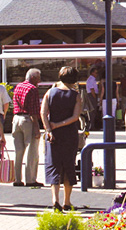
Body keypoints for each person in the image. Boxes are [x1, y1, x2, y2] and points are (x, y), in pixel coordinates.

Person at [41, 66, 82, 211]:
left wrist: (49, 129)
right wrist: (59, 125)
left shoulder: (50, 92)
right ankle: (67, 201)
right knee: (68, 165)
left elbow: (43, 112)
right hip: (69, 134)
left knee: (54, 165)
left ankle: (55, 199)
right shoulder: (76, 95)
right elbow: (75, 117)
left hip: (53, 136)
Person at [12, 68, 43, 187]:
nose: (40, 80)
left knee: (18, 151)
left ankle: (17, 179)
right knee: (32, 150)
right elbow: (34, 111)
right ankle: (30, 179)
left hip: (16, 119)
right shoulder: (33, 89)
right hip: (27, 119)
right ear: (33, 78)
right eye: (39, 77)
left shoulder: (18, 86)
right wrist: (36, 128)